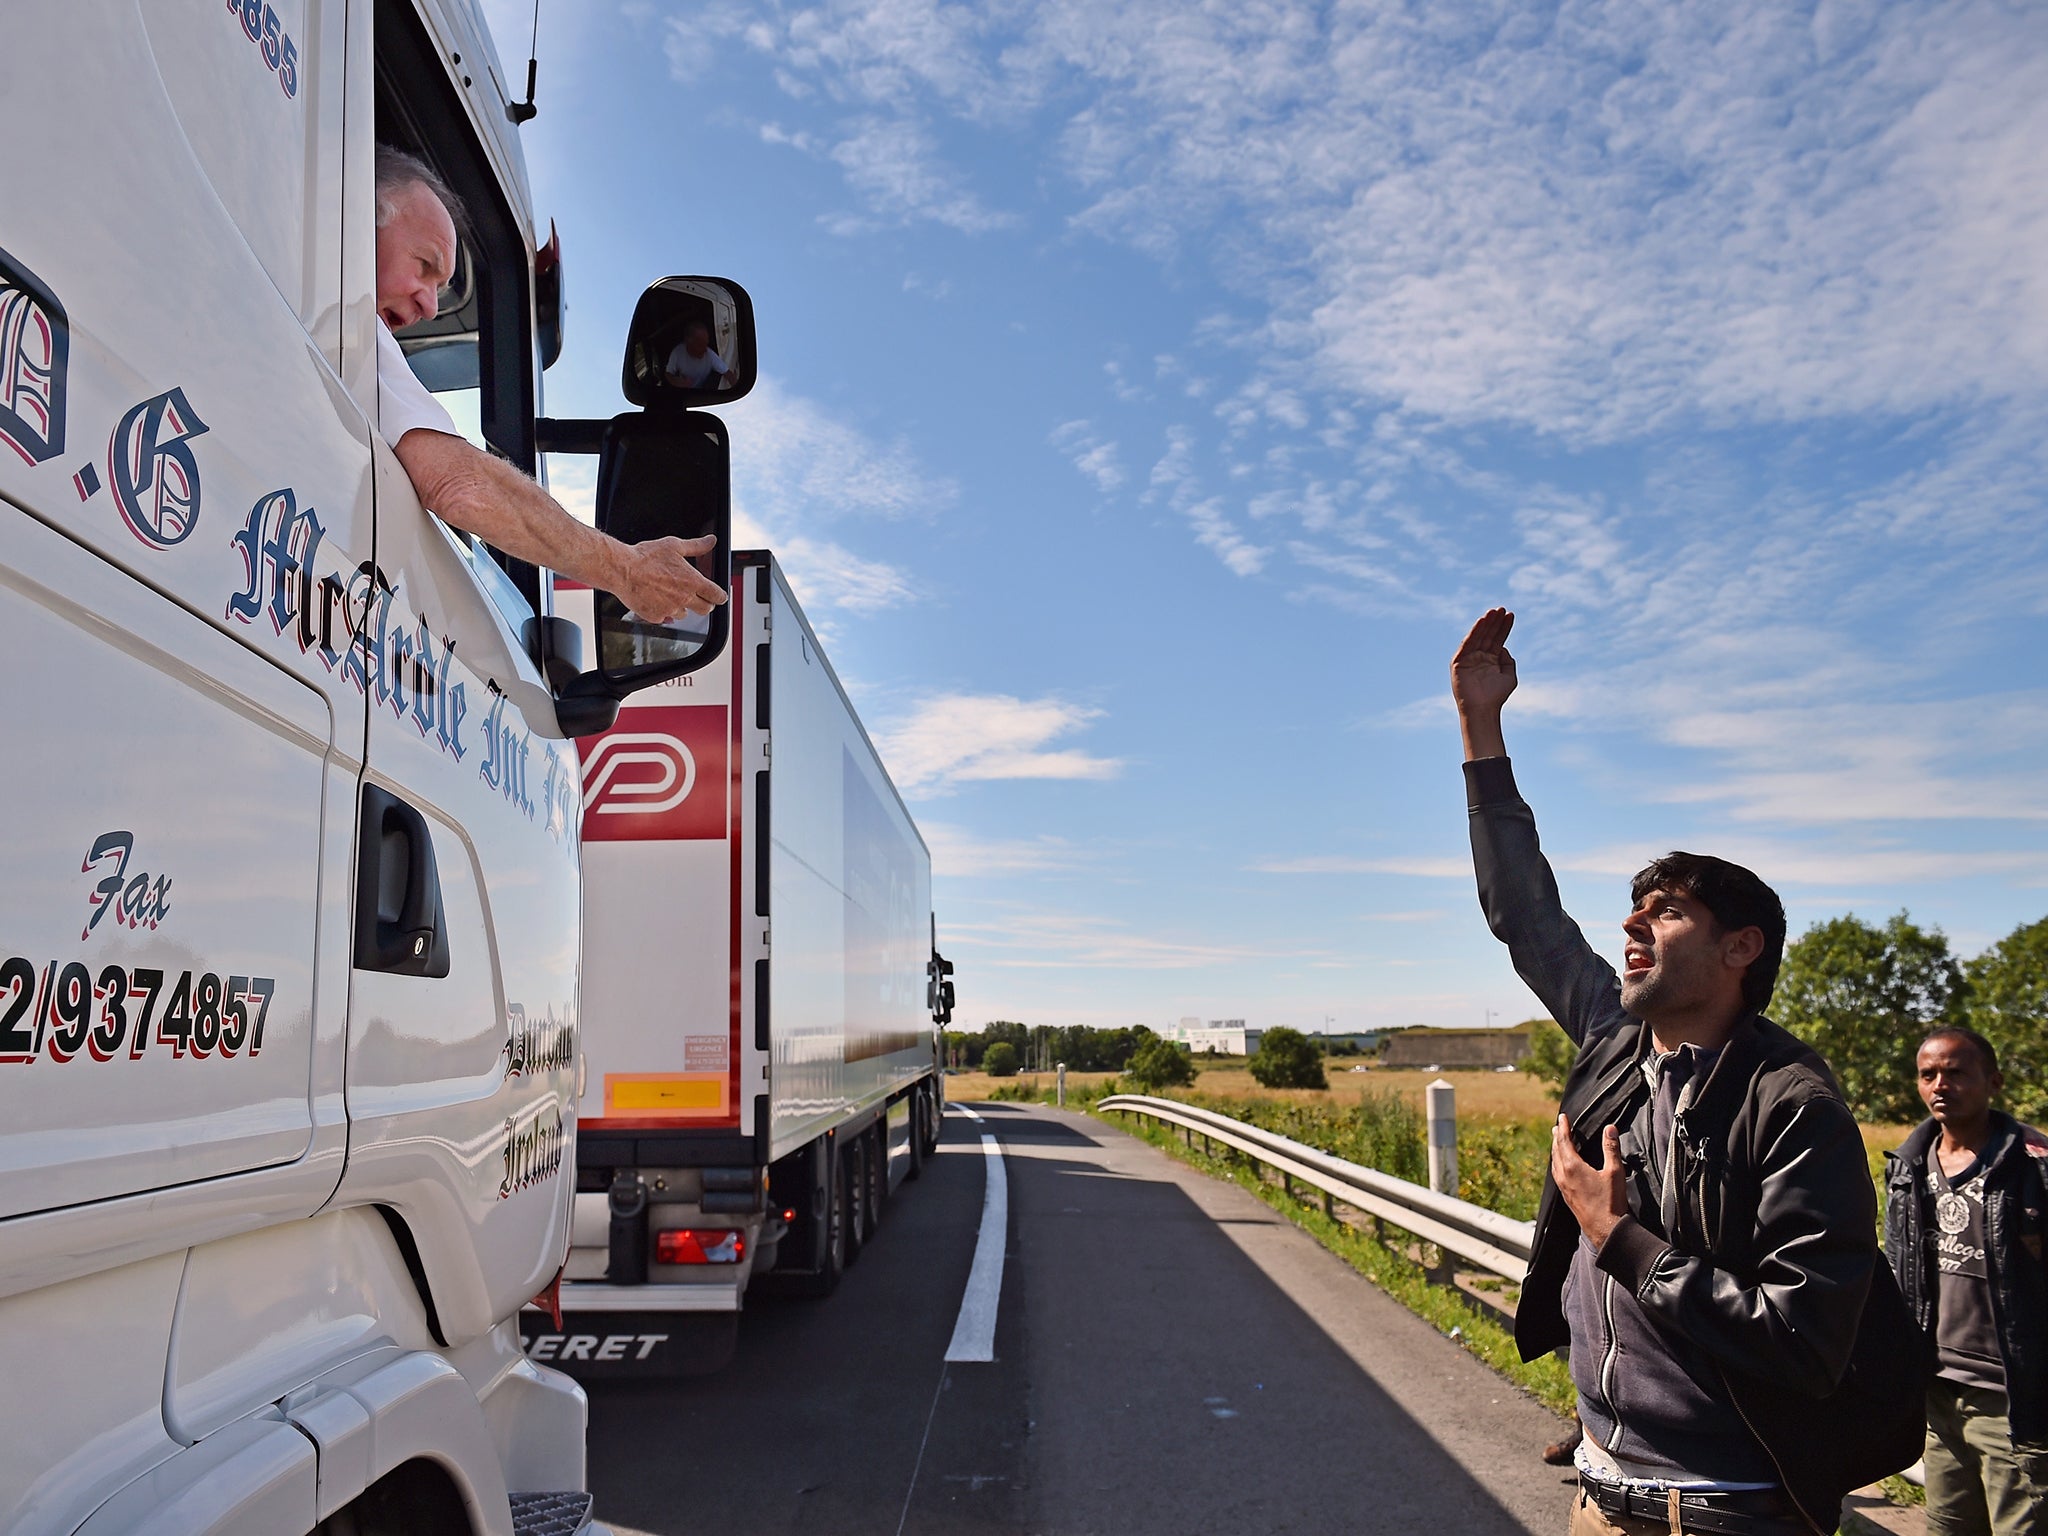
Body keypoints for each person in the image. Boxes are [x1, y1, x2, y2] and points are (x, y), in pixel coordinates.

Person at [1451, 607, 1919, 1536]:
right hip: (1599, 1492)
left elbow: (1801, 1340)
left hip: (1720, 1513)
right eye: (1632, 911)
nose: (1630, 926)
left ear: (1741, 947)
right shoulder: (1613, 1040)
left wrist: (1617, 1235)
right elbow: (1524, 912)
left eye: (1663, 913)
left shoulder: (1793, 1104)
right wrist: (1480, 726)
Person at [372, 147, 724, 625]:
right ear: (356, 216)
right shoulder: (351, 325)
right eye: (424, 265)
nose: (431, 307)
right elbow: (458, 484)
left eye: (440, 287)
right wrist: (626, 569)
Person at [1886, 1027, 2048, 1536]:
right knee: (1947, 1527)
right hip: (1938, 1394)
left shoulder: (2034, 1170)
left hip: (2014, 1402)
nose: (1940, 1085)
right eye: (1928, 1074)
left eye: (1956, 1073)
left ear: (1993, 1081)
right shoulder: (1908, 1169)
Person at [663, 320, 735, 391]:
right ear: (688, 342)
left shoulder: (709, 354)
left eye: (706, 344)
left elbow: (728, 373)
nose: (704, 349)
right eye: (700, 345)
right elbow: (668, 374)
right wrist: (678, 382)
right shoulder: (677, 352)